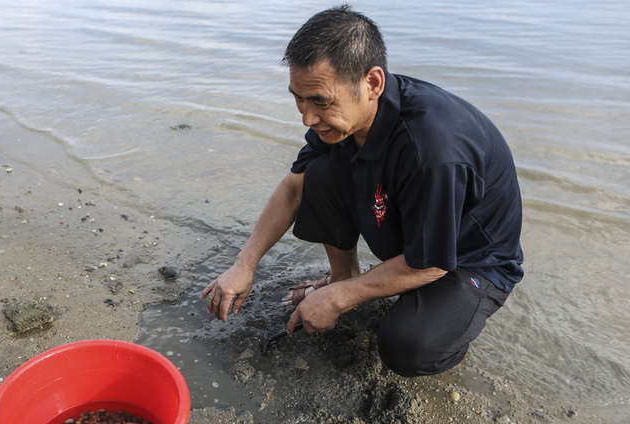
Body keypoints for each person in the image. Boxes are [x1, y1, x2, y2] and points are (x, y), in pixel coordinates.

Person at [200, 5, 523, 377]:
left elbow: (433, 262)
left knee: (410, 347)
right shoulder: (343, 121)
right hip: (415, 234)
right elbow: (293, 189)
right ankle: (346, 276)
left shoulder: (433, 150)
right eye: (298, 99)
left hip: (468, 258)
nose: (306, 117)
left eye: (320, 101)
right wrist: (244, 265)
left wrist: (339, 299)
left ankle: (438, 313)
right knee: (317, 170)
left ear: (373, 83)